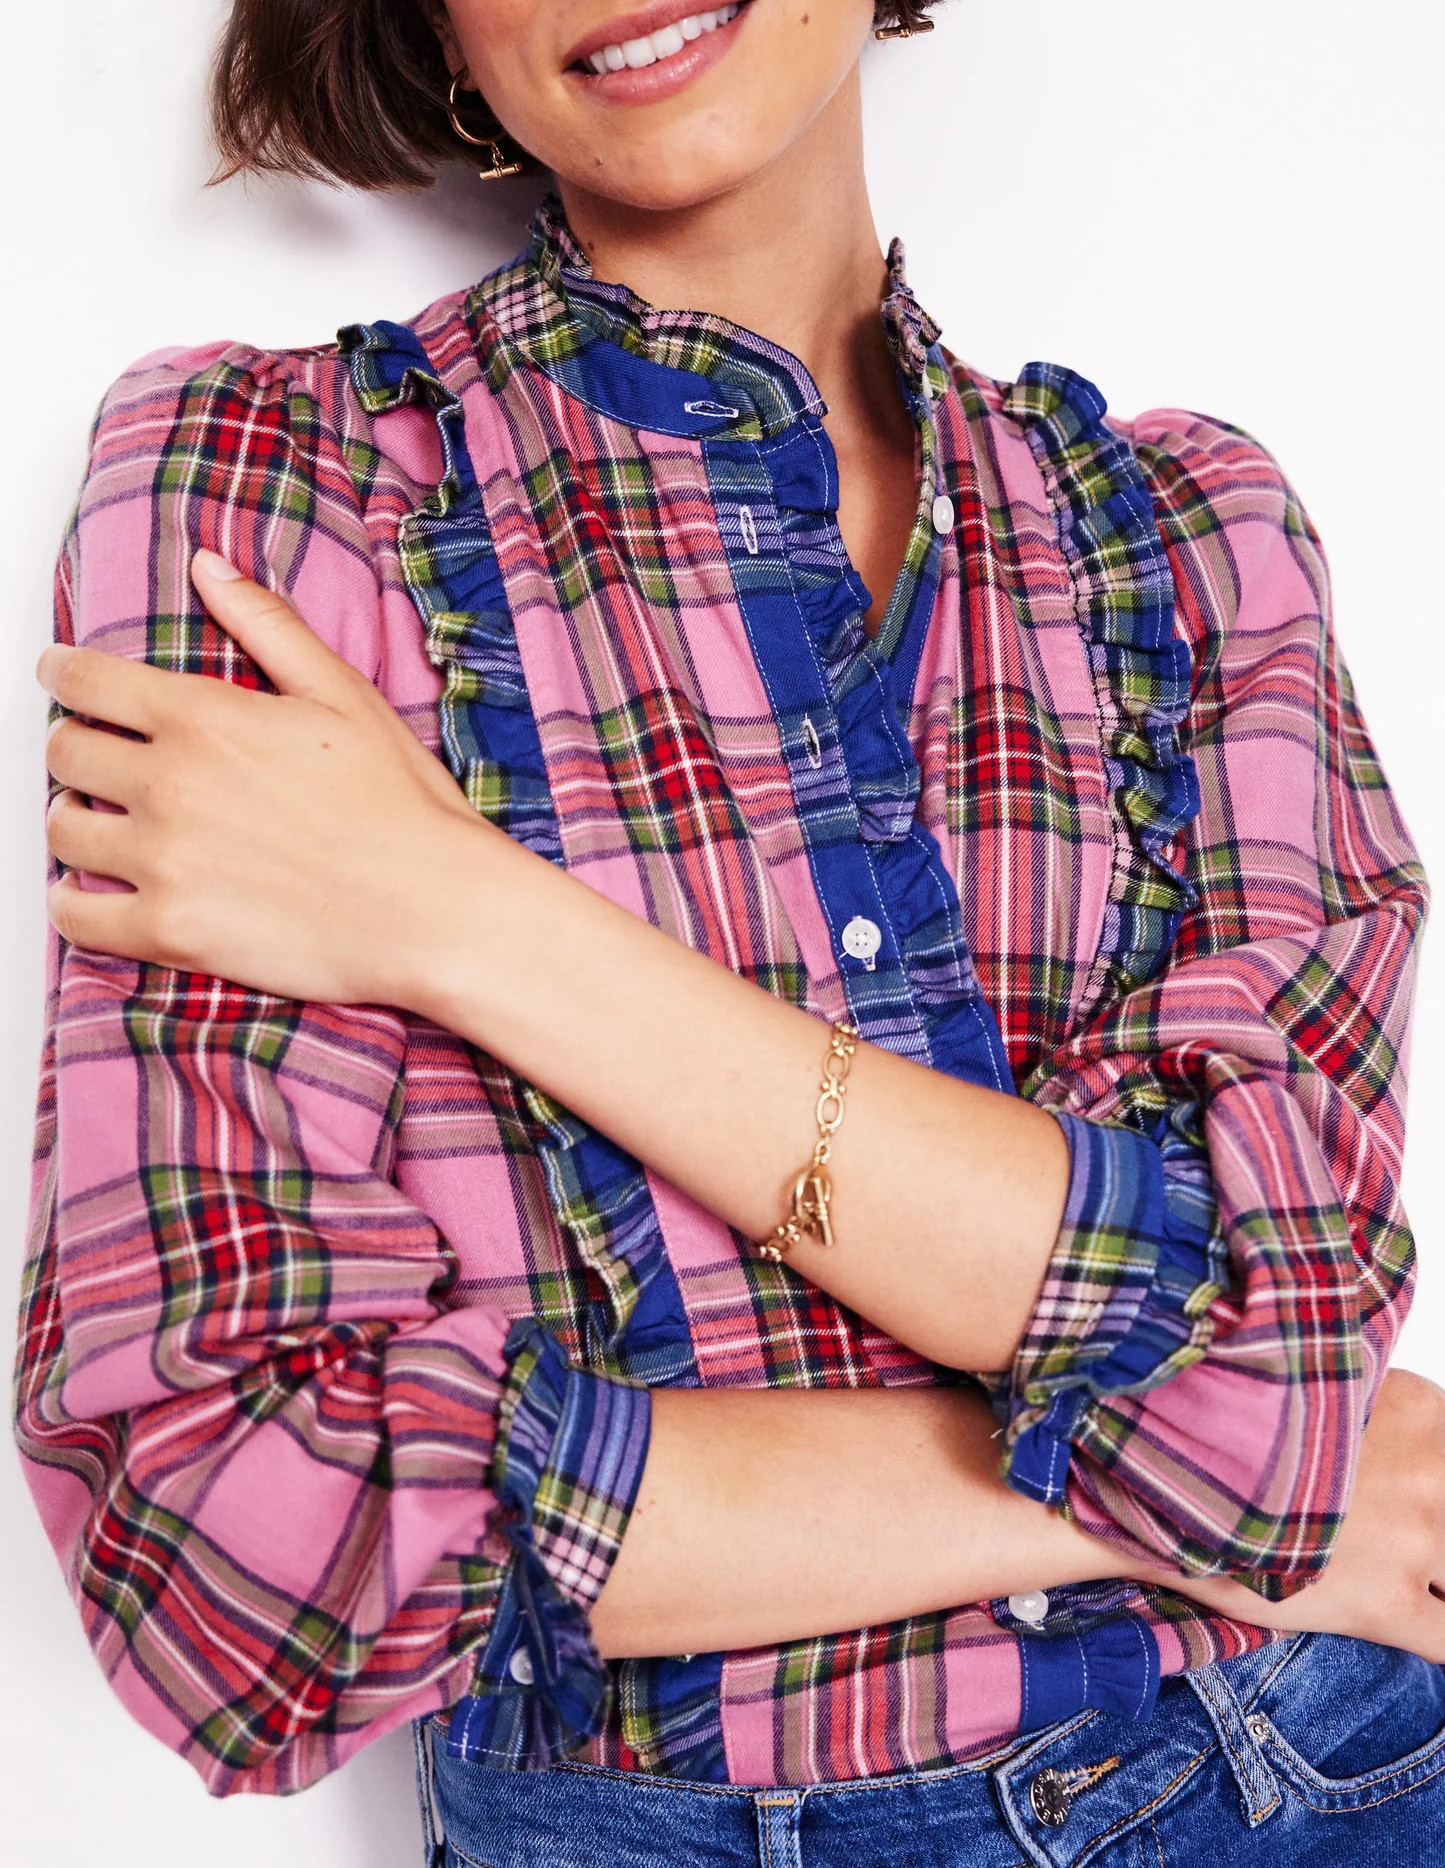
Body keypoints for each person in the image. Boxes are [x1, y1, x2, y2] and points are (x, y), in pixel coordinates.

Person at [13, 1, 1445, 1862]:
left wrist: (452, 912)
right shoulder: (279, 483)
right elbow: (229, 1542)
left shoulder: (1187, 532)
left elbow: (1276, 1330)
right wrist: (1200, 1500)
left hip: (1314, 1775)